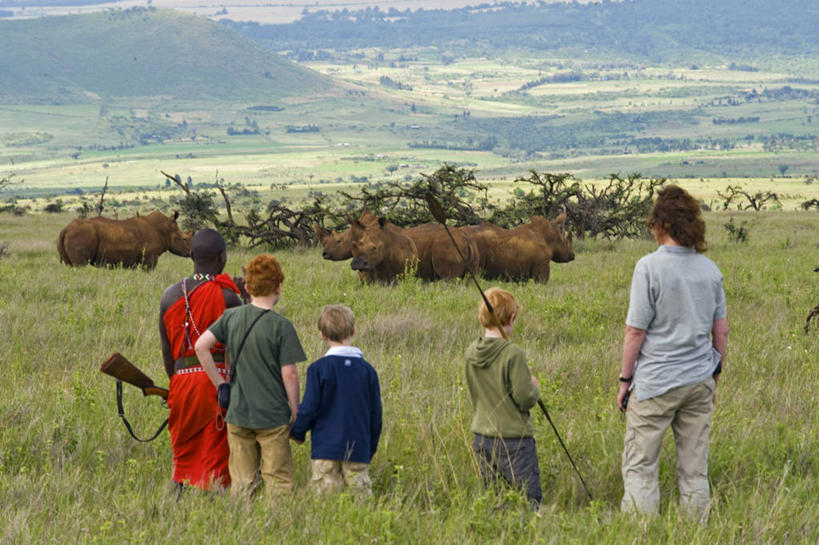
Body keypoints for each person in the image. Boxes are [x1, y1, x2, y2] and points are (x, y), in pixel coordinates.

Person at [617, 185, 728, 522]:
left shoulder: (648, 267)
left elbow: (635, 331)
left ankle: (639, 532)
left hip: (656, 382)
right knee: (695, 470)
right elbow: (720, 331)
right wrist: (714, 376)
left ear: (659, 223)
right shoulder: (710, 270)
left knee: (640, 467)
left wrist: (625, 380)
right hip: (700, 379)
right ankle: (695, 531)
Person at [195, 253, 306, 497]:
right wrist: (297, 413)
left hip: (237, 413)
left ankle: (243, 526)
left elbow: (200, 346)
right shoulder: (281, 326)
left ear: (247, 287)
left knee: (242, 482)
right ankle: (278, 525)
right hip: (272, 416)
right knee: (279, 481)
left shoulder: (231, 317)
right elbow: (289, 374)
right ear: (279, 287)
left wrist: (221, 385)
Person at [159, 228, 243, 491]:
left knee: (183, 455)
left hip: (182, 383)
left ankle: (177, 502)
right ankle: (216, 509)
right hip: (218, 383)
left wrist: (175, 386)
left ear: (191, 254)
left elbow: (167, 353)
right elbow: (241, 351)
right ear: (222, 258)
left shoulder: (169, 295)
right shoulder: (229, 297)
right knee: (217, 454)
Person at [290, 304, 382, 498]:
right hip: (358, 448)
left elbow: (309, 407)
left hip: (325, 448)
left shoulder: (318, 369)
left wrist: (298, 431)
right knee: (361, 499)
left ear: (322, 335)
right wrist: (370, 446)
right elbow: (376, 415)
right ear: (354, 330)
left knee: (325, 501)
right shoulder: (367, 371)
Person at [465, 287, 543, 509]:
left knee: (493, 497)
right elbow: (526, 398)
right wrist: (535, 387)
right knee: (528, 497)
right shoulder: (512, 353)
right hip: (514, 439)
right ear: (512, 318)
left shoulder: (471, 352)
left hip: (482, 435)